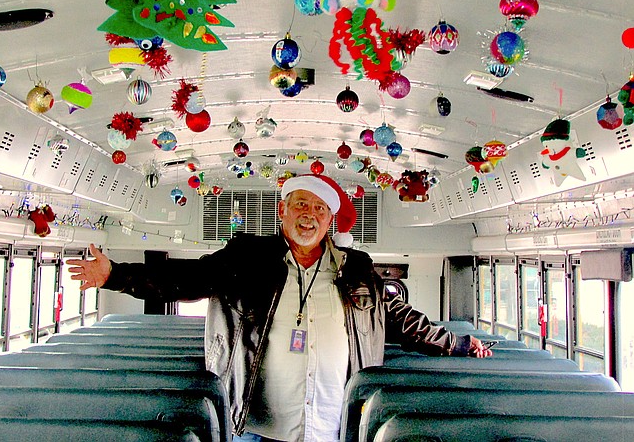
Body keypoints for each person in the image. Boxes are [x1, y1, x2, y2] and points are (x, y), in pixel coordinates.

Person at [67, 174, 492, 442]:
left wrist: (455, 342)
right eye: (301, 205)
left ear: (330, 222)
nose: (309, 216)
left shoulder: (355, 268)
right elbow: (189, 279)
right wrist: (115, 276)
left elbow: (395, 316)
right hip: (257, 423)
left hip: (337, 423)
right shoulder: (246, 257)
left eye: (320, 209)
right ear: (282, 211)